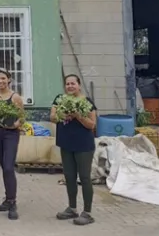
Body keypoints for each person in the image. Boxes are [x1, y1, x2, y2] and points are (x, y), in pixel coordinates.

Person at [50, 74, 97, 226]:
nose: (70, 86)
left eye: (73, 83)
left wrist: (77, 116)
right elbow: (52, 117)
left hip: (83, 145)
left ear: (79, 85)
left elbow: (91, 125)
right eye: (67, 84)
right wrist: (63, 114)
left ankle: (88, 213)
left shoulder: (87, 102)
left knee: (84, 177)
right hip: (66, 144)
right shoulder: (59, 100)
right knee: (69, 177)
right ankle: (72, 208)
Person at [0, 69, 24, 220]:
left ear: (9, 80)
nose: (0, 81)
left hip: (10, 135)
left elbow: (22, 117)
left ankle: (13, 203)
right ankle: (8, 199)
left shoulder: (15, 97)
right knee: (4, 167)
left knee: (9, 167)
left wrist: (16, 124)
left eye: (3, 78)